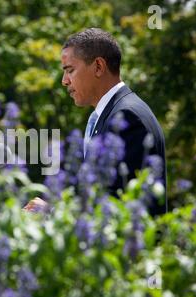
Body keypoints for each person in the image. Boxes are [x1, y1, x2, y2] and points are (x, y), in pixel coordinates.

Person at [24, 28, 167, 216]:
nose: (64, 81)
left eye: (70, 70)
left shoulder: (127, 117)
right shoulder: (109, 114)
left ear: (98, 66)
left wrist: (52, 212)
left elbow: (112, 204)